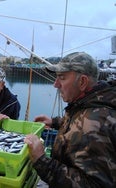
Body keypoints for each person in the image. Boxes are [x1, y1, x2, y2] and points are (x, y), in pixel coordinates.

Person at [24, 52, 116, 188]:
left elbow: (94, 184)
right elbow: (79, 121)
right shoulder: (88, 102)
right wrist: (55, 122)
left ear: (82, 82)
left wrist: (41, 160)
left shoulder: (96, 125)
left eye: (62, 78)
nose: (55, 84)